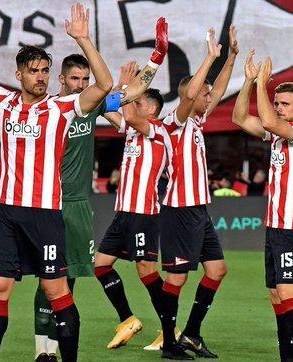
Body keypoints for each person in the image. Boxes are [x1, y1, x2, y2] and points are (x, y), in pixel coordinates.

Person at [0, 20, 168, 360]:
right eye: (75, 79)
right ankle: (44, 351)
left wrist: (156, 58)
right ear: (61, 79)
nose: (82, 84)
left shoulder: (88, 107)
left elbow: (134, 92)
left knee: (63, 283)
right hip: (33, 202)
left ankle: (61, 347)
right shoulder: (45, 108)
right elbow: (14, 155)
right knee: (33, 285)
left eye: (85, 79)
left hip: (73, 204)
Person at [0, 2, 114, 360]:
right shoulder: (4, 102)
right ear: (19, 74)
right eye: (33, 71)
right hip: (7, 215)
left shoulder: (63, 108)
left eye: (44, 70)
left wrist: (84, 40)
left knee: (57, 292)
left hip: (44, 214)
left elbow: (105, 84)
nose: (40, 76)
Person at [157, 26, 238, 360]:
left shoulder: (196, 123)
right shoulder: (173, 121)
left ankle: (190, 333)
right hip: (178, 210)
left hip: (199, 211)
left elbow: (216, 91)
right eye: (203, 94)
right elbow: (193, 95)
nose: (209, 99)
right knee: (176, 279)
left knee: (217, 270)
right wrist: (209, 57)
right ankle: (168, 341)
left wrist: (231, 57)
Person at [232, 52, 293, 362]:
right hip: (276, 225)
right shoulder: (277, 136)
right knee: (275, 295)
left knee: (288, 294)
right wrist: (247, 82)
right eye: (278, 103)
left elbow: (267, 119)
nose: (280, 108)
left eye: (285, 103)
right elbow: (239, 118)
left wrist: (262, 85)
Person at [94, 59, 171, 351]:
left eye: (138, 100)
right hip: (124, 213)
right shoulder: (130, 128)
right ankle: (127, 319)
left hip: (143, 213)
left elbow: (123, 106)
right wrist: (118, 87)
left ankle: (169, 329)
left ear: (149, 108)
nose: (132, 103)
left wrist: (128, 87)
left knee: (146, 271)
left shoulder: (156, 129)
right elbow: (106, 106)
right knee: (101, 265)